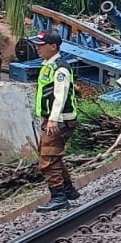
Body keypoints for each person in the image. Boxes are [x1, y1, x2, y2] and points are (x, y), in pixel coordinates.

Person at [33, 30, 79, 212]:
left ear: (53, 47)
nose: (38, 48)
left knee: (48, 158)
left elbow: (60, 95)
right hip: (54, 119)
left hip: (59, 121)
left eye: (41, 45)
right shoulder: (48, 65)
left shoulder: (60, 68)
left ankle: (59, 197)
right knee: (53, 155)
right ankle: (67, 190)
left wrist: (53, 119)